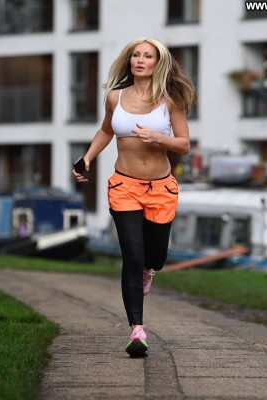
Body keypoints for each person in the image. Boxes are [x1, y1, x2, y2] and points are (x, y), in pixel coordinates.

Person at [73, 38, 195, 357]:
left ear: (158, 63)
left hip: (160, 188)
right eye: (136, 55)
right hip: (124, 186)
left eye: (147, 56)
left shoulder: (170, 99)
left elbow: (184, 144)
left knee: (155, 257)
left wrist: (158, 137)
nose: (140, 60)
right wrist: (87, 157)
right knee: (132, 255)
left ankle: (149, 269)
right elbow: (106, 131)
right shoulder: (115, 96)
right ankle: (137, 331)